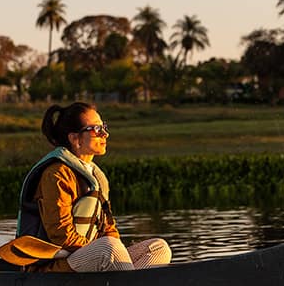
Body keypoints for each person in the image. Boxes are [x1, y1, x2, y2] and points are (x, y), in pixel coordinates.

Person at [16, 102, 171, 272]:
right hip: (52, 266)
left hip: (91, 256)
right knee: (108, 248)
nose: (105, 134)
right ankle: (131, 285)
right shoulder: (56, 174)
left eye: (104, 127)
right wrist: (100, 248)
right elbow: (61, 235)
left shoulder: (95, 176)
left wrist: (116, 250)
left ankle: (126, 282)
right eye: (96, 129)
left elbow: (108, 228)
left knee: (159, 248)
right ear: (75, 139)